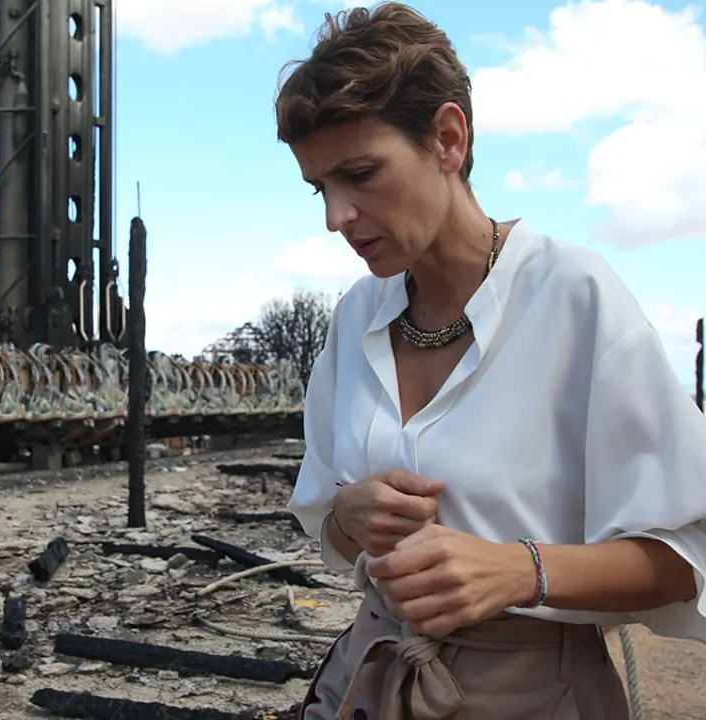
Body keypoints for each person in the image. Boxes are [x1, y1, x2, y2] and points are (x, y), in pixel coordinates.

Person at [277, 3, 706, 719]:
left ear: (448, 138)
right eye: (321, 187)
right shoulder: (355, 316)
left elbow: (685, 554)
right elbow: (330, 525)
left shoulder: (575, 297)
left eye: (360, 173)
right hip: (366, 676)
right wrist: (350, 515)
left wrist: (520, 571)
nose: (336, 217)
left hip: (530, 694)